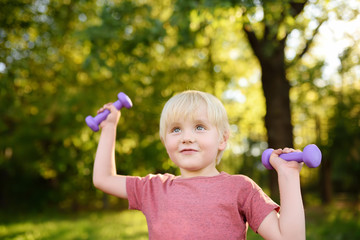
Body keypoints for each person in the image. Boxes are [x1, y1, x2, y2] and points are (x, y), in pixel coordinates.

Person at [92, 90, 306, 240]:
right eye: (176, 129)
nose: (186, 137)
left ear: (222, 139)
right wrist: (109, 127)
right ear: (165, 142)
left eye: (199, 127)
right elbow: (103, 179)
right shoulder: (153, 188)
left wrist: (288, 176)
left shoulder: (240, 188)